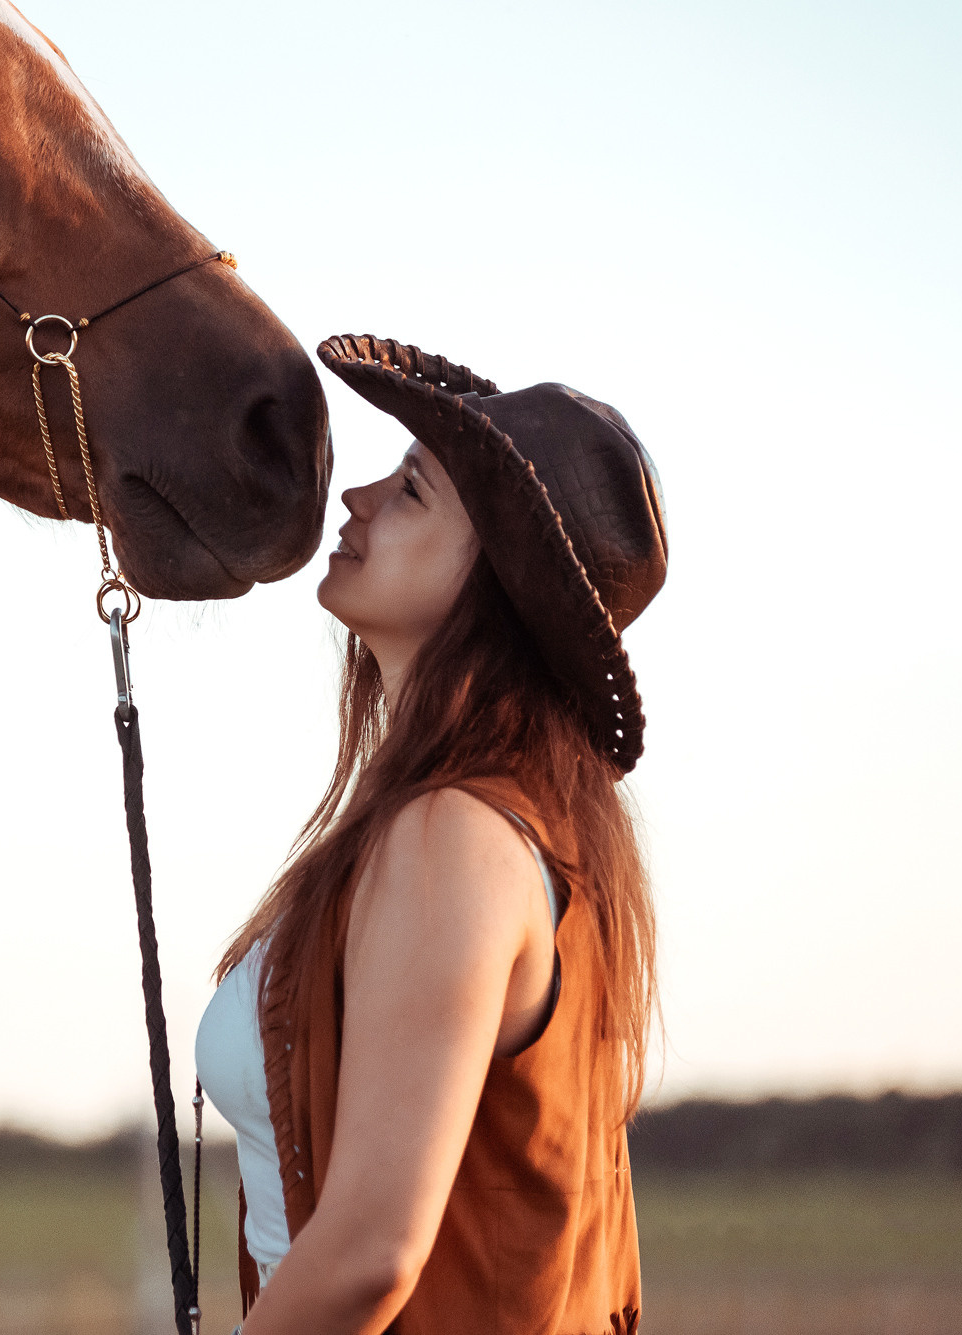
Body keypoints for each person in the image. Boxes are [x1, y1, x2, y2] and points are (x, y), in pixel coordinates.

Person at [194, 335, 668, 1335]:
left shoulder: (451, 834)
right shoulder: (491, 827)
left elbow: (370, 1254)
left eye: (410, 492)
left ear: (491, 588)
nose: (354, 497)